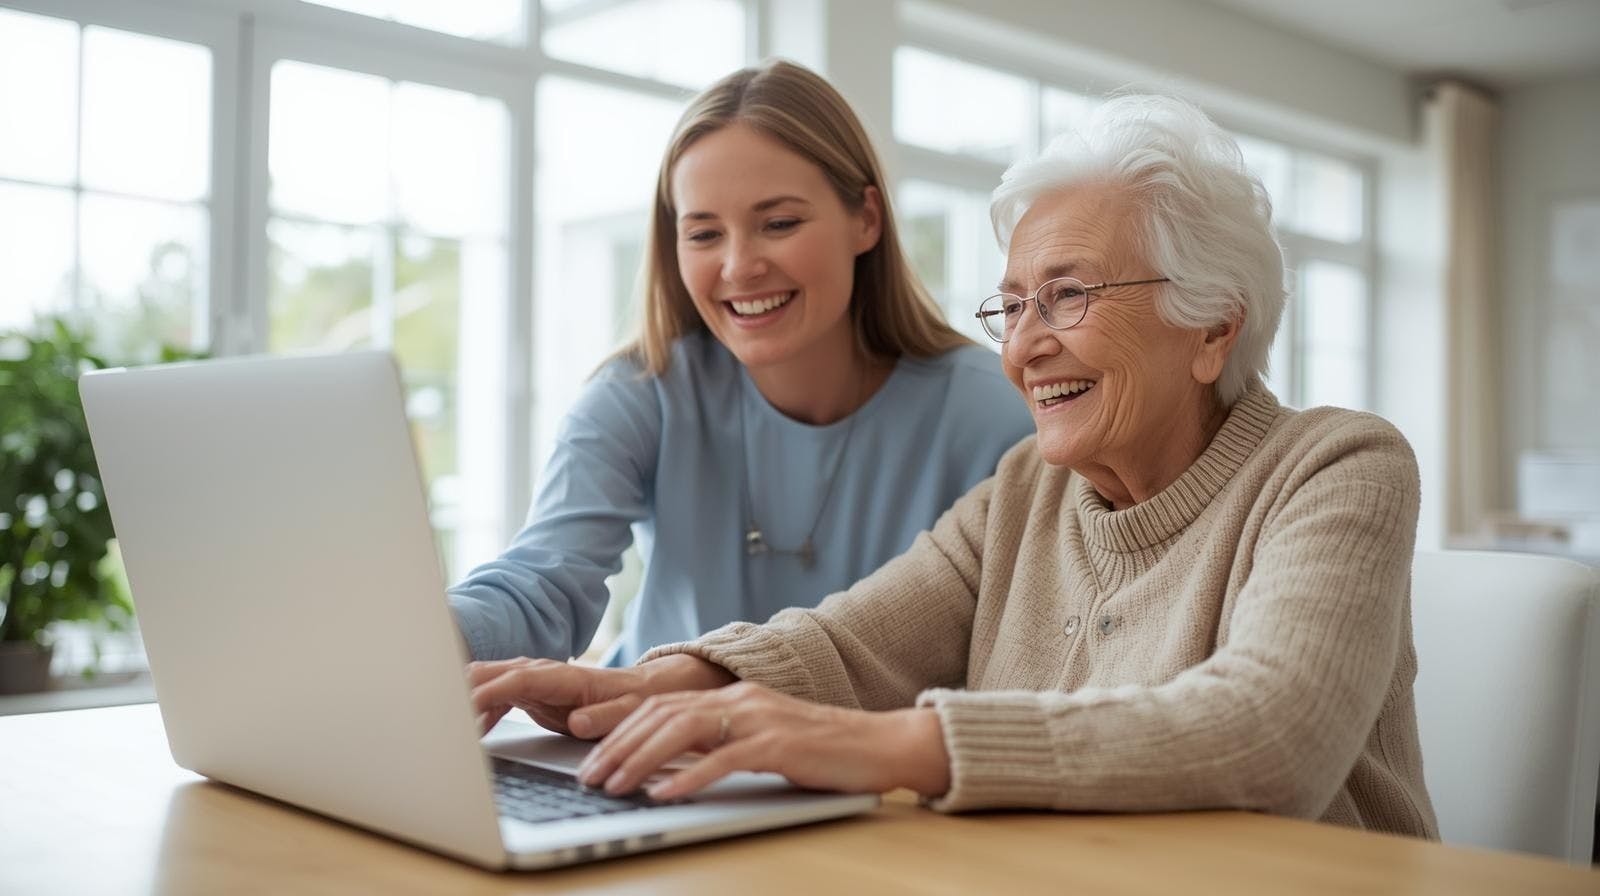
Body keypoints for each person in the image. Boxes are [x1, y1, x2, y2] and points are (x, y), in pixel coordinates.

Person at [465, 94, 1440, 839]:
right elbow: (847, 646)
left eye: (1064, 295)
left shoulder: (1334, 467)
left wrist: (897, 743)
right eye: (1011, 306)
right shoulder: (1026, 489)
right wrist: (655, 680)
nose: (1023, 347)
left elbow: (1269, 732)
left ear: (1212, 324)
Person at [448, 60, 1033, 666]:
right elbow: (540, 590)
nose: (739, 266)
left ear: (866, 219)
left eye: (778, 223)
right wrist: (411, 632)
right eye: (704, 234)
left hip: (866, 759)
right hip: (643, 748)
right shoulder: (642, 393)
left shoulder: (992, 415)